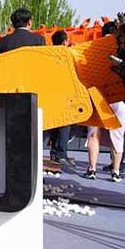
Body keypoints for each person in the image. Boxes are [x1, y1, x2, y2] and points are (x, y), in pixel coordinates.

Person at [84, 21, 125, 182]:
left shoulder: (93, 50)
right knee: (118, 135)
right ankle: (116, 172)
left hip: (97, 95)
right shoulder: (122, 50)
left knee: (93, 134)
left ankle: (92, 169)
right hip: (117, 97)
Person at [47, 30, 75, 169]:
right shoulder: (67, 55)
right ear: (64, 42)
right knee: (65, 125)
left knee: (54, 125)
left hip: (51, 94)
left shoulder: (48, 55)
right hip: (65, 94)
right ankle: (61, 153)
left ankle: (54, 152)